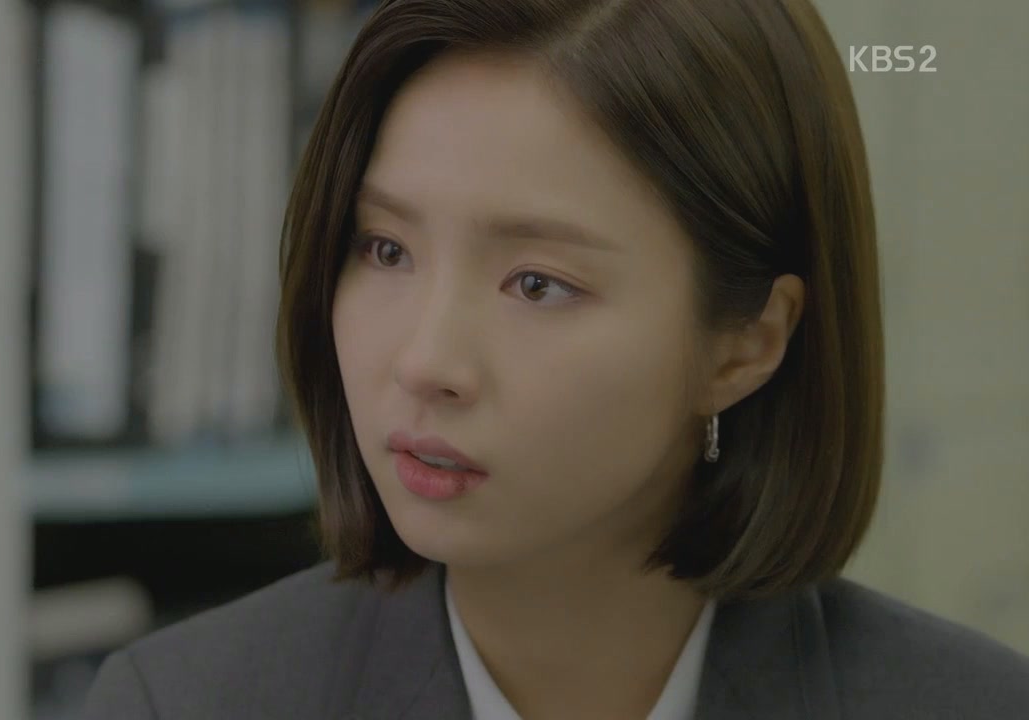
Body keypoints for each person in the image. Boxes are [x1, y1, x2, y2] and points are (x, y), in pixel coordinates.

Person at [81, 0, 1029, 717]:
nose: (425, 361)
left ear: (747, 344)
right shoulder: (182, 704)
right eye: (386, 249)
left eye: (537, 284)